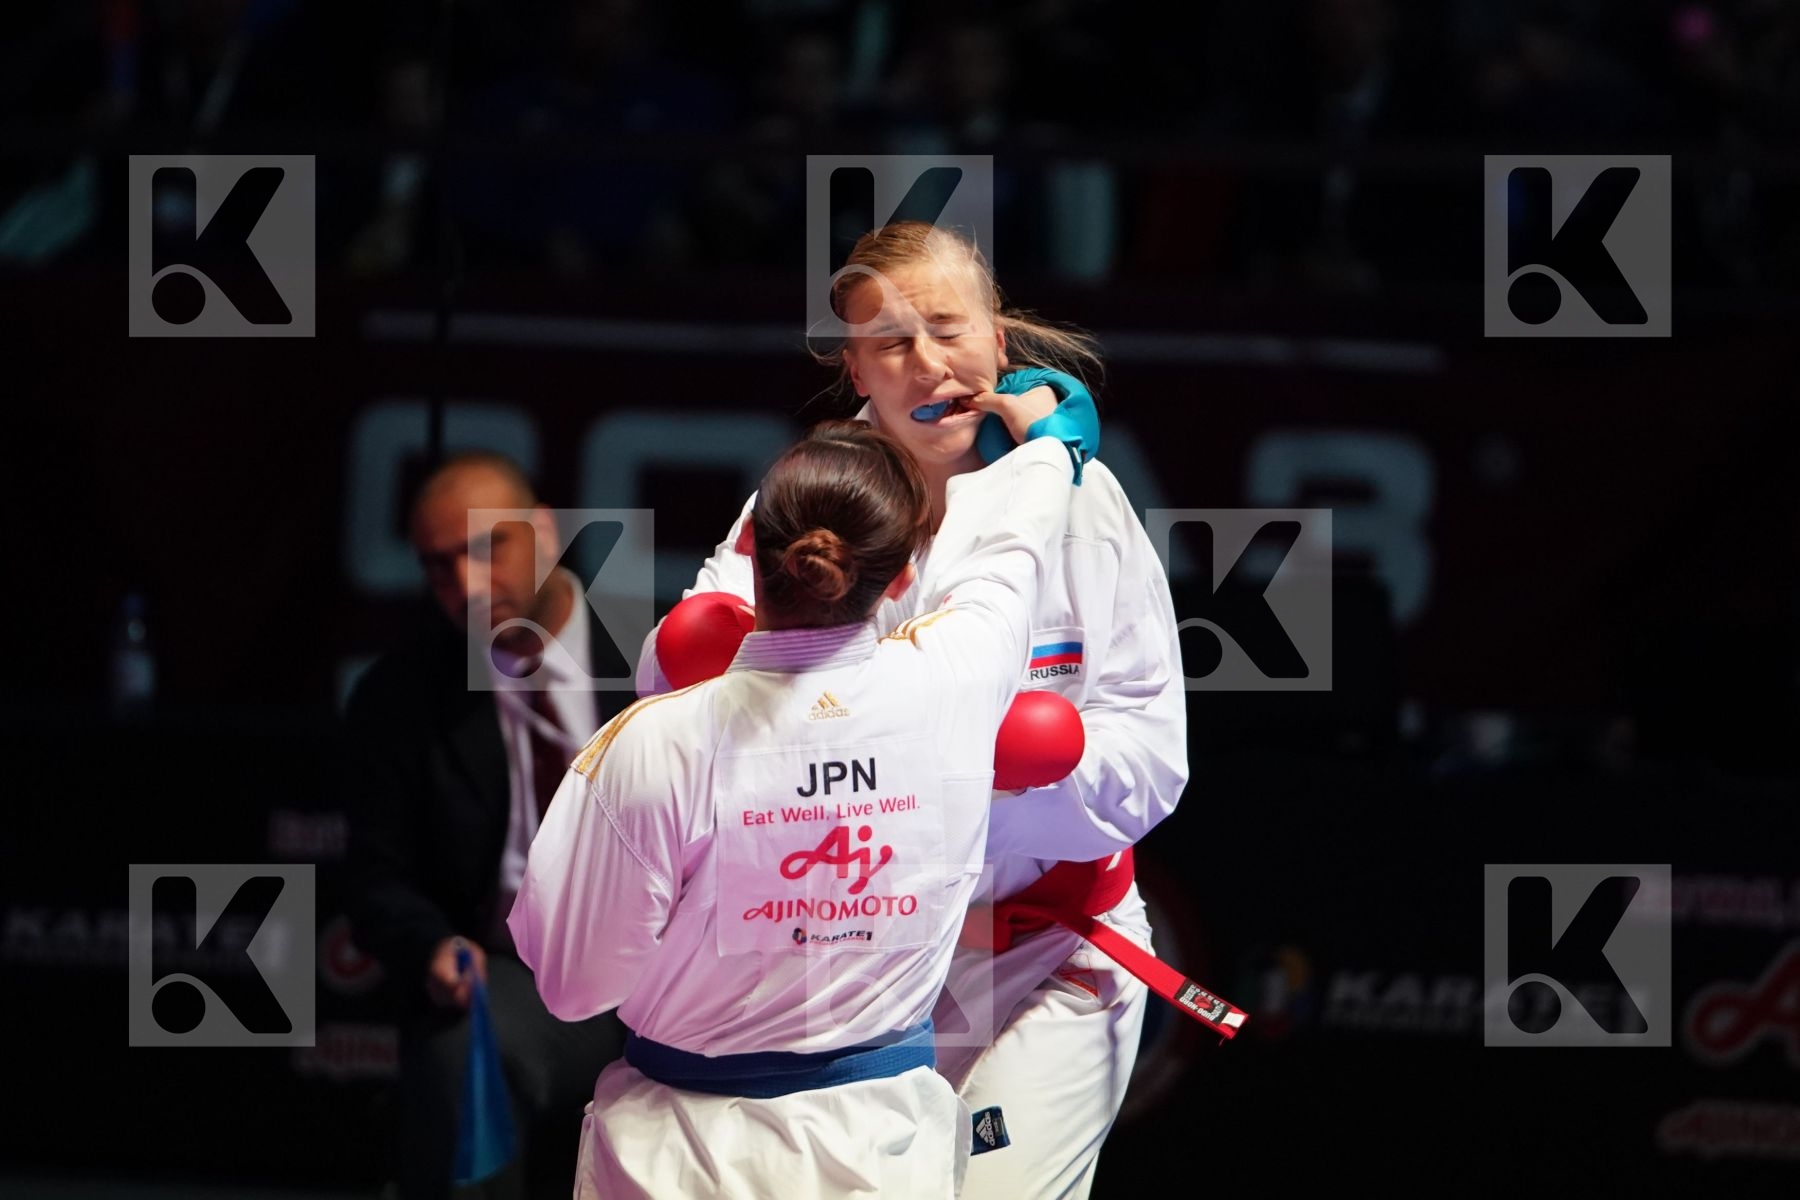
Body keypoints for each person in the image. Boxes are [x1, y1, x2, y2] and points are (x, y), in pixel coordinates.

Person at [637, 221, 1188, 1198]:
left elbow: (1152, 765)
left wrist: (1018, 780)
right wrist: (708, 641)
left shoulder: (1083, 503)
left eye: (948, 328)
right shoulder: (811, 503)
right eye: (890, 342)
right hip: (869, 968)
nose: (928, 364)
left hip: (1048, 955)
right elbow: (670, 681)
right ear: (855, 367)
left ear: (1000, 343)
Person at [508, 418, 1088, 1199]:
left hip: (675, 1160)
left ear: (755, 554)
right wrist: (1052, 451)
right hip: (885, 1154)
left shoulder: (657, 744)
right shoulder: (958, 683)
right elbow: (1009, 560)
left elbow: (572, 988)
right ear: (902, 580)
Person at [343, 451, 627, 1199]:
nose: (466, 586)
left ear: (541, 531)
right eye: (440, 567)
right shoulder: (400, 695)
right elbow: (376, 877)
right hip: (517, 978)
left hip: (671, 973)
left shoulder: (656, 651)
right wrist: (434, 947)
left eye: (484, 548)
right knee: (467, 1049)